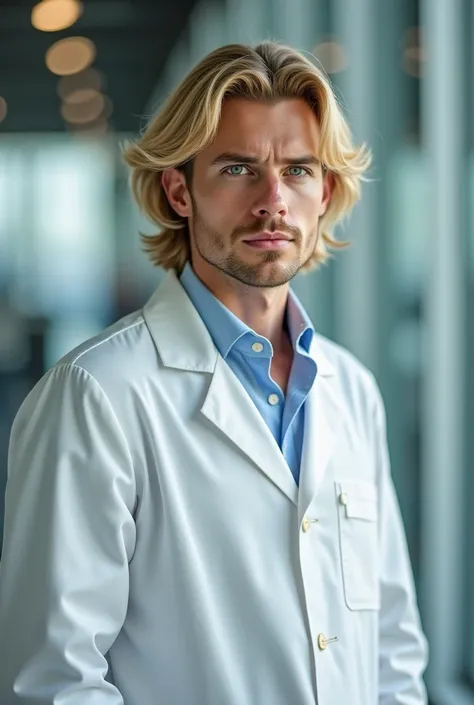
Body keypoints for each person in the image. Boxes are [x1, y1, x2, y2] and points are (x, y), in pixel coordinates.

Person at [0, 41, 428, 705]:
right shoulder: (99, 395)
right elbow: (54, 682)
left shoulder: (353, 390)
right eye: (238, 168)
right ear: (179, 190)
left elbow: (393, 653)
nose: (273, 200)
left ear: (328, 192)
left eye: (298, 170)